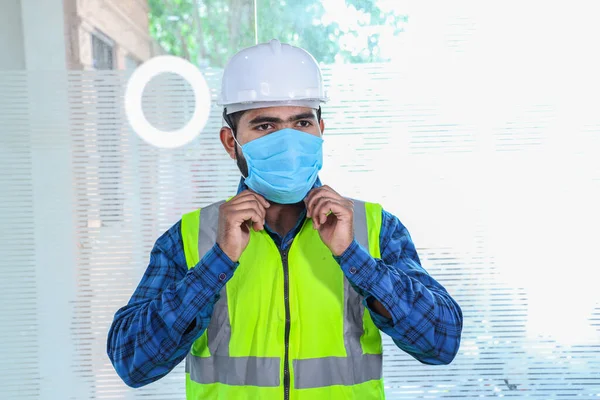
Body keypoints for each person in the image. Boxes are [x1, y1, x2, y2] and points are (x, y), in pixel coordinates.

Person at [107, 39, 463, 400]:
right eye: (265, 127)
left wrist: (354, 257)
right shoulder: (191, 237)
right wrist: (219, 260)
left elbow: (441, 341)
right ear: (231, 143)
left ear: (321, 130)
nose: (288, 142)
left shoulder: (373, 227)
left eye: (302, 122)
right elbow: (133, 362)